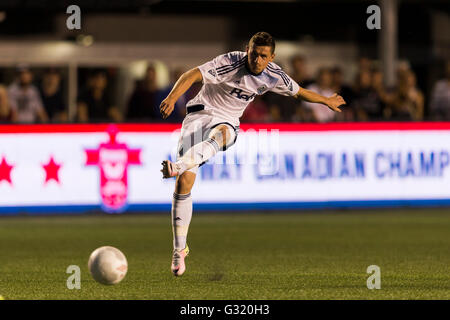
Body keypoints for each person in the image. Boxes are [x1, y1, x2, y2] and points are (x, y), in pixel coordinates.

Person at [158, 32, 346, 277]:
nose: (257, 60)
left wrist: (325, 100)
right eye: (254, 53)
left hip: (227, 121)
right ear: (247, 49)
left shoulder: (273, 75)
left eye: (263, 56)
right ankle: (179, 249)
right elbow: (191, 74)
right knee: (185, 183)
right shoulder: (230, 61)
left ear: (272, 57)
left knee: (223, 135)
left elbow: (298, 92)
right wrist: (173, 98)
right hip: (199, 115)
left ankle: (180, 164)